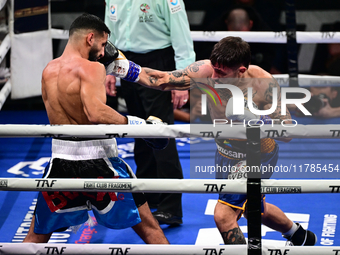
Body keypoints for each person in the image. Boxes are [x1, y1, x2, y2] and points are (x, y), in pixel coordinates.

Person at [104, 36, 317, 245]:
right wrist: (119, 66)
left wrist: (257, 118)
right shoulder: (206, 71)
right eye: (214, 69)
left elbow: (287, 133)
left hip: (257, 154)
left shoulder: (263, 85)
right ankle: (299, 235)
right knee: (254, 208)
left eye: (221, 73)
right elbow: (161, 80)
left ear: (241, 70)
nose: (214, 77)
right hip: (225, 152)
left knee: (224, 215)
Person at [22, 13, 169, 244]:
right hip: (100, 161)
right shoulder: (92, 68)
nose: (103, 53)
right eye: (102, 45)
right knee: (149, 228)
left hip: (60, 162)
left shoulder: (48, 71)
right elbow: (95, 112)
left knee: (36, 236)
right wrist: (140, 126)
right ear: (90, 38)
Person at [104, 0, 196, 225]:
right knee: (139, 133)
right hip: (125, 63)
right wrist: (108, 69)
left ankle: (171, 206)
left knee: (161, 135)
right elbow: (108, 34)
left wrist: (181, 79)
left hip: (159, 64)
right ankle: (149, 194)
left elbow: (182, 36)